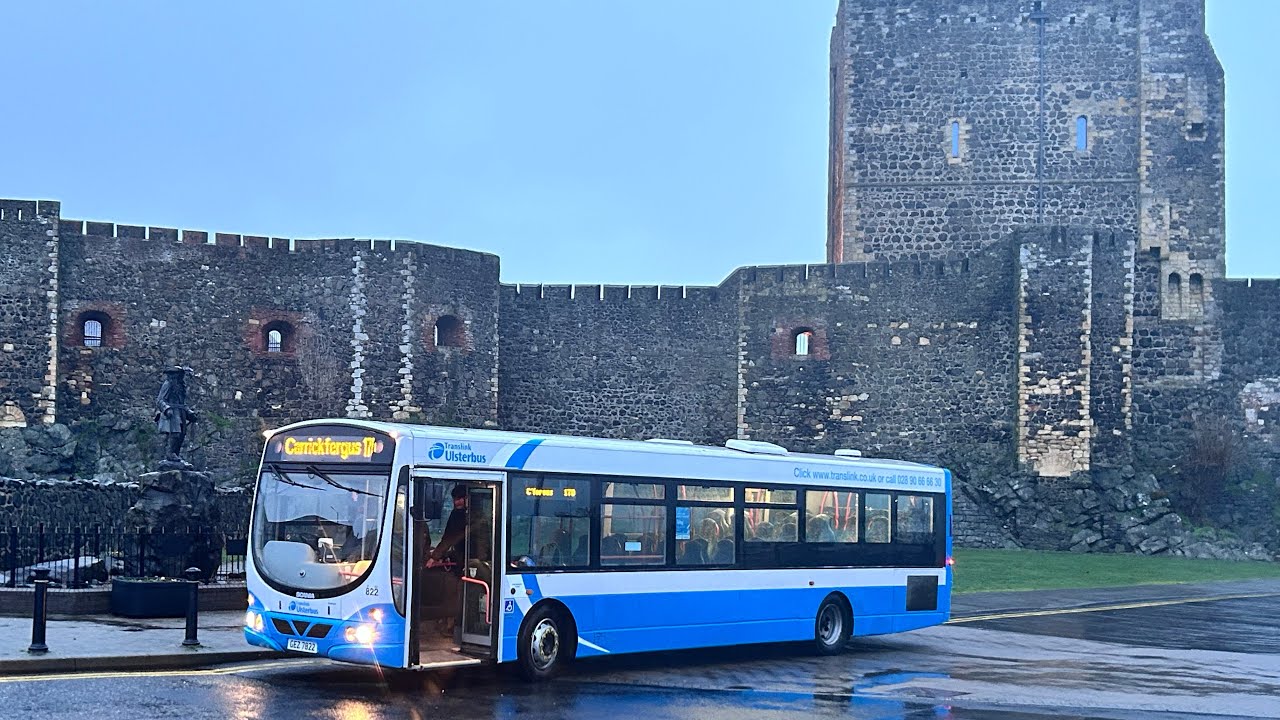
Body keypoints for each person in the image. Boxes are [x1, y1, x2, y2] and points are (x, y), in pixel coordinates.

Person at [426, 485, 468, 637]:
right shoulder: (457, 514)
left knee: (456, 590)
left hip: (470, 561)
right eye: (455, 499)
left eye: (460, 499)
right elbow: (447, 537)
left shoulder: (470, 516)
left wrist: (435, 557)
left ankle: (453, 625)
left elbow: (451, 538)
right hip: (460, 558)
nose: (457, 503)